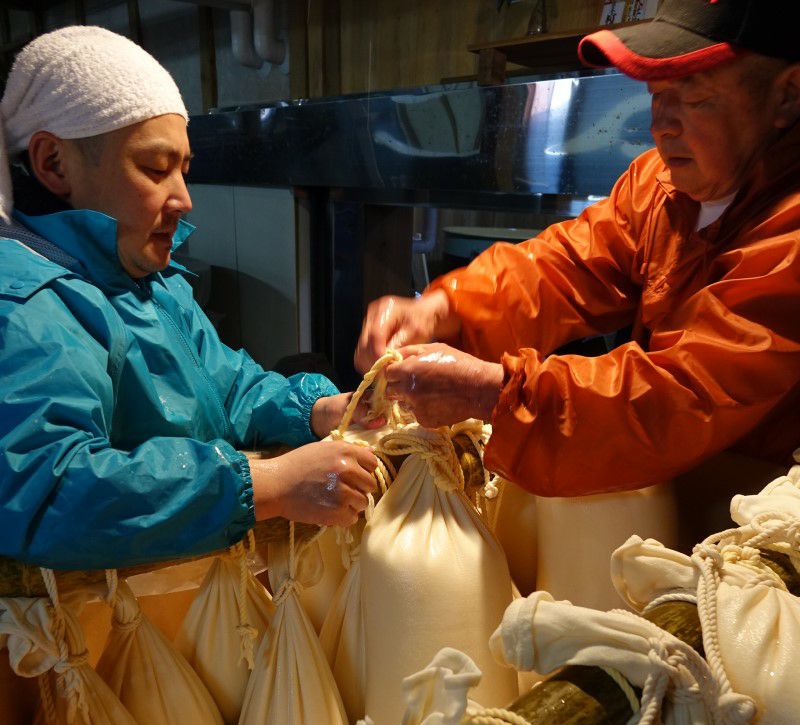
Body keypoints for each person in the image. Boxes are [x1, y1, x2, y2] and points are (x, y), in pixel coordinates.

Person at [356, 0, 800, 499]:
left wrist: (493, 394)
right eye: (657, 95)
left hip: (760, 520)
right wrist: (448, 308)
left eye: (695, 100)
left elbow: (681, 397)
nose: (661, 127)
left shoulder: (791, 232)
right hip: (671, 494)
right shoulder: (660, 182)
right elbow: (566, 266)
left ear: (787, 97)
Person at [0, 26, 378, 570]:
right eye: (155, 169)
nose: (183, 198)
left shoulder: (146, 278)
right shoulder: (31, 307)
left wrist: (320, 411)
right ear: (55, 164)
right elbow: (50, 491)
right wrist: (266, 484)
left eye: (184, 169)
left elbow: (225, 390)